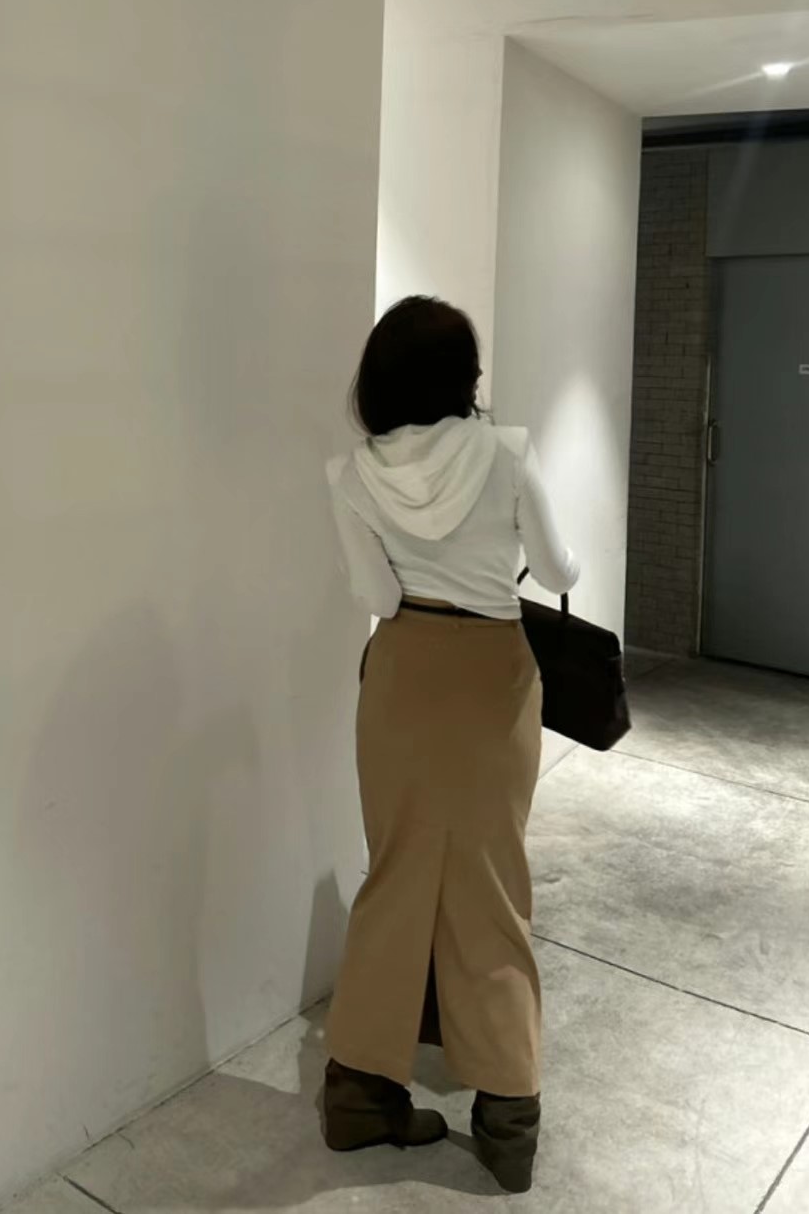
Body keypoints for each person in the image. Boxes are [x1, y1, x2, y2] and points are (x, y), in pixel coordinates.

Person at [321, 296, 580, 1194]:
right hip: (491, 676)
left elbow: (378, 598)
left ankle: (358, 1096)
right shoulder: (506, 452)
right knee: (492, 882)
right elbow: (559, 570)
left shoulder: (350, 473)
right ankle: (507, 1119)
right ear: (463, 377)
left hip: (401, 674)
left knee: (393, 873)